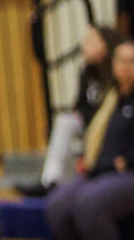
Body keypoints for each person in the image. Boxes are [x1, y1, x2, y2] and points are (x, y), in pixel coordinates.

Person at [45, 39, 134, 240]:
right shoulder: (109, 99)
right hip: (99, 170)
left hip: (126, 172)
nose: (124, 66)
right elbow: (94, 133)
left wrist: (127, 160)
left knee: (89, 204)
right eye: (120, 60)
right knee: (57, 205)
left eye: (131, 62)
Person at [19, 25, 124, 196]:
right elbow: (80, 105)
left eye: (91, 40)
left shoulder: (116, 72)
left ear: (106, 44)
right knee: (65, 120)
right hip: (90, 124)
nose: (84, 45)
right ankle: (50, 181)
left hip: (110, 126)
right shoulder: (87, 71)